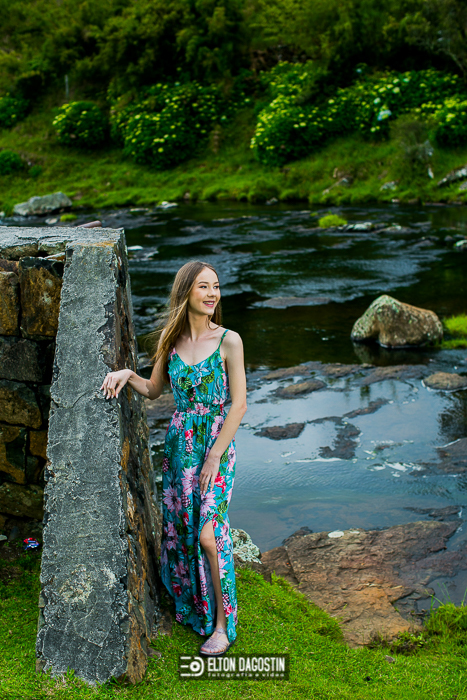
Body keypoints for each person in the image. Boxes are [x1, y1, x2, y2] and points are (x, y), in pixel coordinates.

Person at [100, 260, 247, 657]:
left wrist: (215, 455)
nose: (213, 294)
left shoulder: (229, 340)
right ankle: (197, 605)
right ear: (186, 292)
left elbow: (239, 405)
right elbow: (153, 390)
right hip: (180, 447)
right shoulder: (170, 340)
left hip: (217, 446)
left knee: (209, 535)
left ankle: (223, 626)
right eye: (204, 286)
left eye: (216, 286)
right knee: (185, 528)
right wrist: (127, 374)